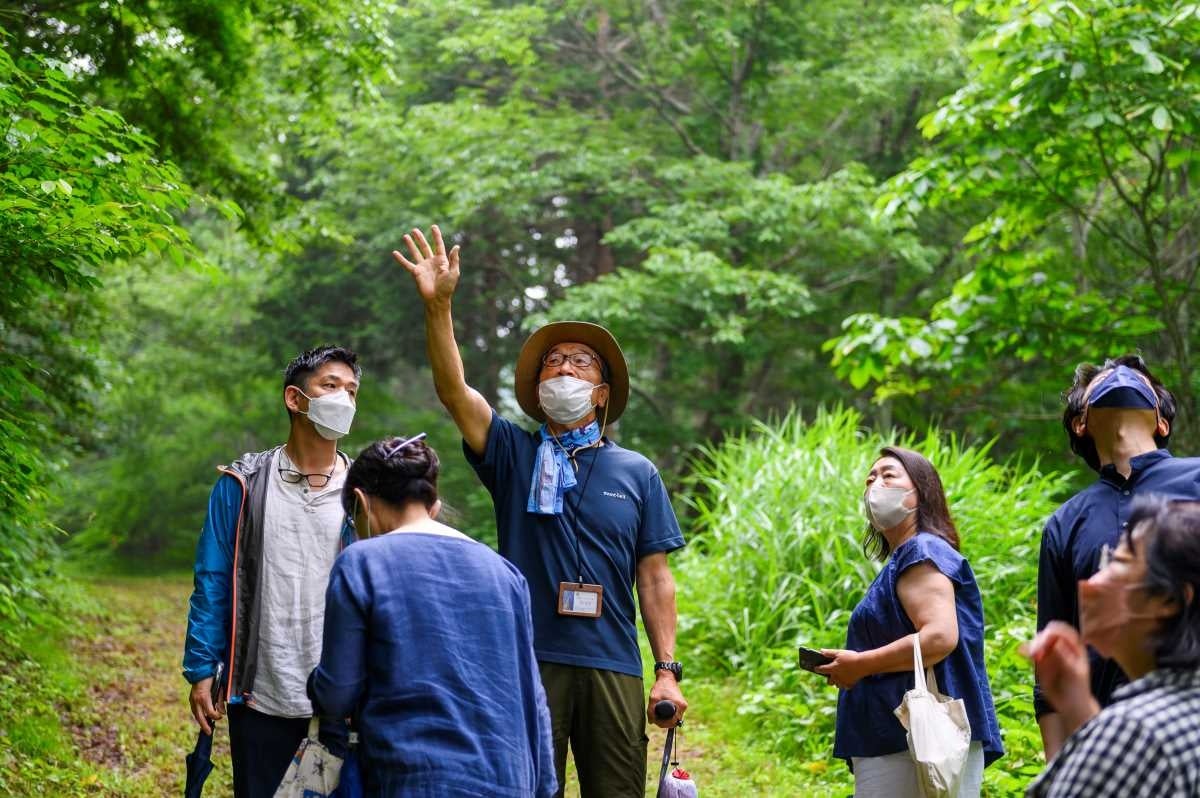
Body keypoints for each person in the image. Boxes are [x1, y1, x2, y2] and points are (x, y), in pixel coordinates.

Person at [393, 225, 687, 798]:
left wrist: (666, 671)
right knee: (526, 788)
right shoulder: (512, 452)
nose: (564, 371)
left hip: (613, 663)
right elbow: (454, 391)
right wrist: (440, 308)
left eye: (580, 364)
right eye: (552, 363)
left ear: (601, 394)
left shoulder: (637, 472)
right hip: (527, 660)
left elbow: (654, 579)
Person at [308, 434, 556, 797]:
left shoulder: (362, 562)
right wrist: (545, 787)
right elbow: (533, 700)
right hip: (510, 778)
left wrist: (316, 683)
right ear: (433, 505)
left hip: (415, 776)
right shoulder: (505, 573)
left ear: (361, 502)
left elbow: (336, 695)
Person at [182, 345, 361, 797]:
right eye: (331, 385)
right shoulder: (242, 485)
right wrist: (202, 668)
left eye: (352, 390)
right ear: (295, 399)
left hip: (342, 700)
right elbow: (213, 579)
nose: (344, 399)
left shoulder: (366, 493)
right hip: (261, 693)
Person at [1035, 355, 1200, 758]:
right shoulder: (1065, 523)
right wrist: (1061, 773)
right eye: (1103, 378)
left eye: (1136, 377)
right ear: (1081, 423)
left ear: (1161, 421)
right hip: (1110, 744)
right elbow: (1052, 665)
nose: (1118, 374)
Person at [818, 446, 1004, 797]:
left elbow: (939, 637)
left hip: (912, 738)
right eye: (870, 478)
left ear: (922, 491)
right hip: (902, 739)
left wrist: (860, 664)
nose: (875, 485)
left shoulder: (922, 552)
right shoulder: (909, 557)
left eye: (889, 475)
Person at [1025, 496, 1200, 797]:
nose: (1094, 579)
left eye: (1117, 561)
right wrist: (1079, 708)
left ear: (1169, 600)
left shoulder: (1135, 733)